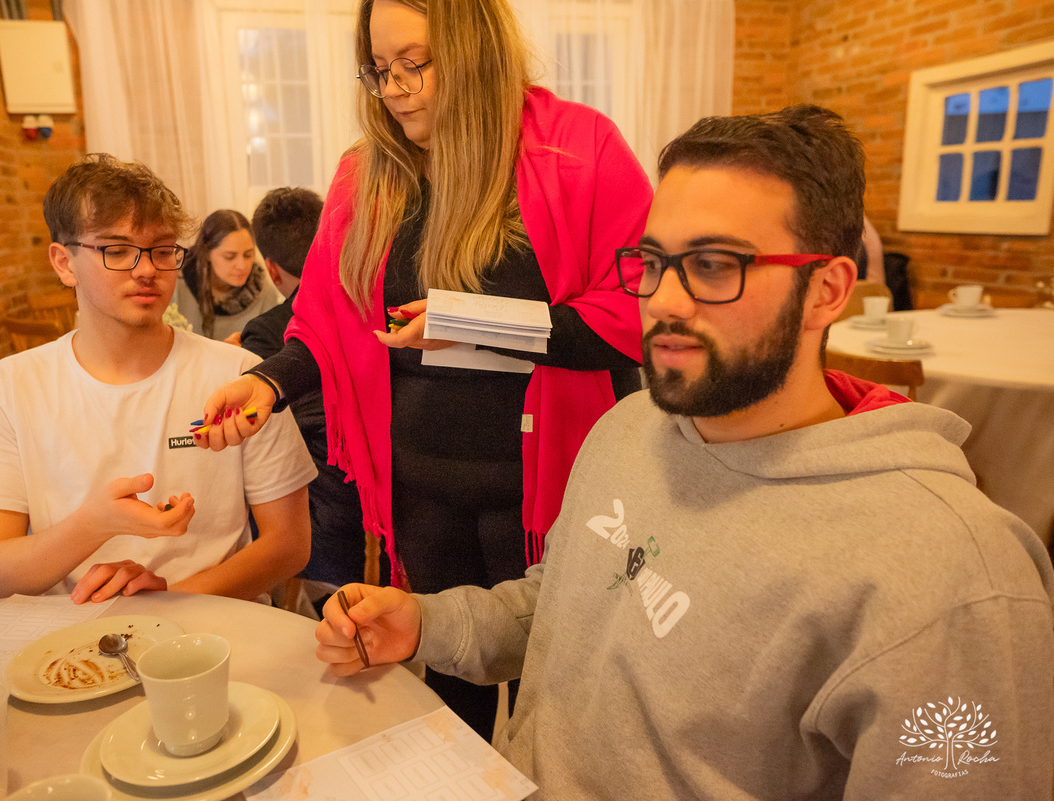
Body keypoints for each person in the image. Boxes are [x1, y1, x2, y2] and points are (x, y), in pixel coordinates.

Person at [314, 106, 1054, 799]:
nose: (664, 298)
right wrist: (424, 623)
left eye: (713, 265)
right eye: (653, 261)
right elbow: (561, 606)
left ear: (827, 290)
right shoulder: (630, 427)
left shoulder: (949, 585)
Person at [196, 0, 651, 739]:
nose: (395, 89)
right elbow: (330, 323)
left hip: (548, 483)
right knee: (446, 677)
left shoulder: (577, 149)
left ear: (473, 49)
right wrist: (269, 383)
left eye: (414, 64)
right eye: (379, 71)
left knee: (560, 676)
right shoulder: (367, 174)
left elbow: (634, 315)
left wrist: (472, 321)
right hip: (421, 484)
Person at [0, 154, 317, 603]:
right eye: (116, 250)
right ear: (64, 263)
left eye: (161, 250)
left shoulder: (237, 375)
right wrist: (94, 525)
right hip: (67, 639)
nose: (146, 270)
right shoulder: (7, 389)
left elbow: (289, 544)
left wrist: (173, 599)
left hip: (214, 628)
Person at [240, 188, 374, 596]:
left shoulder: (267, 331)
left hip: (331, 521)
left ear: (272, 269)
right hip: (397, 505)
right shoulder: (374, 305)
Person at [172, 209, 282, 344]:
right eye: (230, 257)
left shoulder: (264, 292)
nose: (242, 265)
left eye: (248, 255)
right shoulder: (176, 284)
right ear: (207, 253)